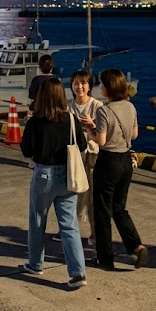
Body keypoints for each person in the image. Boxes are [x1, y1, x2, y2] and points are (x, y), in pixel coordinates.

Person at [19, 78, 89, 289]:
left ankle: (35, 264)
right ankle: (78, 273)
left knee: (38, 221)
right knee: (69, 225)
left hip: (43, 176)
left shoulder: (35, 121)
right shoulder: (71, 118)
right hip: (68, 177)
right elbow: (83, 145)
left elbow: (26, 151)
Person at [90, 68, 145, 270]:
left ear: (109, 87)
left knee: (102, 211)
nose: (100, 86)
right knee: (119, 208)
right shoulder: (130, 107)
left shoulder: (104, 110)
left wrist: (90, 130)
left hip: (108, 161)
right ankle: (136, 246)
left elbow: (101, 141)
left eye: (102, 84)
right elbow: (135, 135)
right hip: (125, 161)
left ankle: (105, 258)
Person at [68, 69, 103, 245]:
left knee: (93, 197)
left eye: (83, 83)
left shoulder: (97, 106)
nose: (79, 87)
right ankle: (69, 231)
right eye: (76, 83)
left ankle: (95, 234)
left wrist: (92, 125)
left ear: (89, 86)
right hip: (74, 156)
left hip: (92, 155)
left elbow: (104, 133)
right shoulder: (68, 106)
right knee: (72, 194)